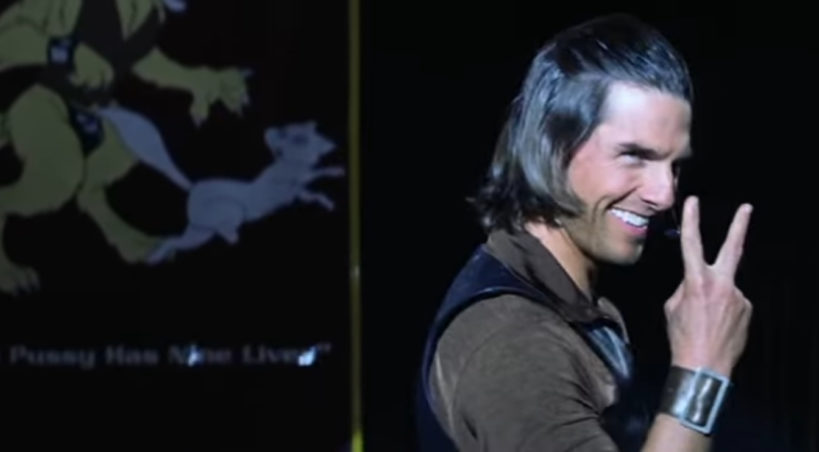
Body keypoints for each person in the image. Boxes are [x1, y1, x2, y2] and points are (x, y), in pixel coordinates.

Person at [416, 13, 753, 452]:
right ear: (553, 147)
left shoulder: (563, 302)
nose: (665, 194)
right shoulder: (514, 344)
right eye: (634, 155)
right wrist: (702, 369)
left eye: (674, 165)